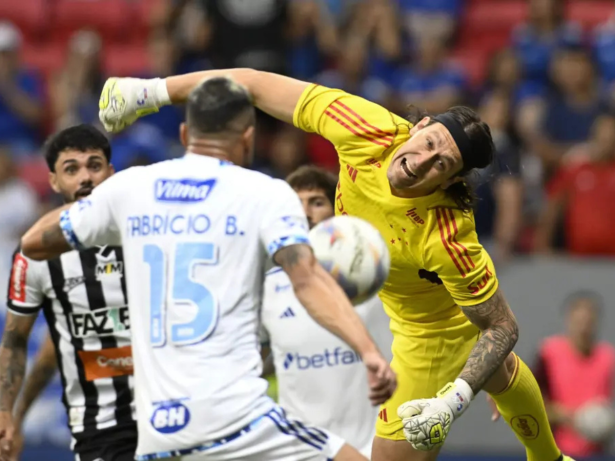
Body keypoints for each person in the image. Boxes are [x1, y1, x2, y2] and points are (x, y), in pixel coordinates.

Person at [95, 69, 577, 461]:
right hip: (394, 300)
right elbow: (255, 84)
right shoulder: (366, 128)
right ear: (421, 124)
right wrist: (151, 91)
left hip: (430, 333)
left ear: (451, 180)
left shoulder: (447, 235)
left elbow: (502, 327)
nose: (422, 162)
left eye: (442, 165)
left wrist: (451, 400)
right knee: (496, 370)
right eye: (429, 143)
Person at [17, 77, 396, 461]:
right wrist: (368, 351)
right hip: (234, 420)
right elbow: (306, 278)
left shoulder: (131, 188)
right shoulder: (265, 193)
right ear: (247, 137)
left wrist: (105, 207)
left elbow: (33, 242)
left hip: (157, 434)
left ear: (184, 133)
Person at [0, 125, 137, 461]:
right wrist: (9, 413)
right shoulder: (35, 252)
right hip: (100, 428)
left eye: (94, 165)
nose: (85, 178)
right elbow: (21, 342)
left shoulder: (147, 235)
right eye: (71, 169)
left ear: (111, 173)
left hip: (170, 417)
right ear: (54, 182)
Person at [261, 165, 393, 458]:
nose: (305, 212)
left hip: (371, 448)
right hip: (299, 450)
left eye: (317, 202)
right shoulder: (267, 288)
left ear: (337, 212)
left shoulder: (375, 278)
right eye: (296, 203)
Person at [533, 292, 615, 458]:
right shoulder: (548, 352)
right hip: (556, 450)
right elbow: (532, 402)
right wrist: (568, 417)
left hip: (597, 452)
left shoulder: (608, 356)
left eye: (588, 321)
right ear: (568, 319)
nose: (583, 327)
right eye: (579, 321)